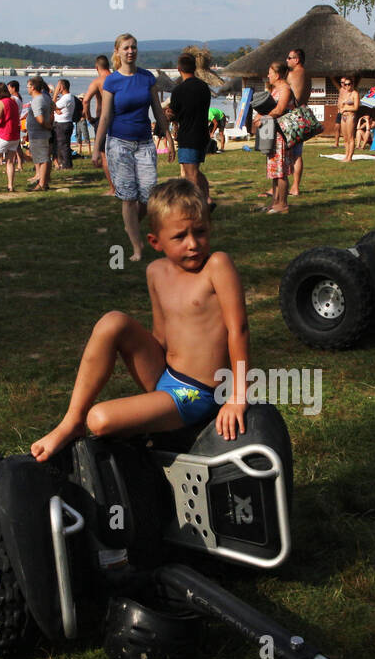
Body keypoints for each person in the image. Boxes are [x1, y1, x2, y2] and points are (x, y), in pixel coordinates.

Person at [29, 178, 249, 464]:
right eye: (180, 236)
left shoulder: (217, 265)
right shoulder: (155, 272)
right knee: (113, 322)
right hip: (166, 376)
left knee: (100, 419)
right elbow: (161, 335)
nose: (193, 244)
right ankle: (71, 420)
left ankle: (96, 423)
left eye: (201, 232)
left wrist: (238, 396)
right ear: (155, 242)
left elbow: (239, 329)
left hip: (199, 393)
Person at [93, 33, 173, 261]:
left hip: (145, 143)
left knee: (149, 195)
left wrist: (167, 136)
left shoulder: (147, 78)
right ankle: (137, 246)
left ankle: (131, 227)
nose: (131, 51)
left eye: (134, 47)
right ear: (117, 52)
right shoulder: (112, 81)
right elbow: (106, 116)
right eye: (126, 48)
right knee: (128, 197)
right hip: (119, 143)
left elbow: (158, 110)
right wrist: (97, 148)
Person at [167, 54, 213, 208]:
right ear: (195, 68)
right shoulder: (204, 87)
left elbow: (173, 113)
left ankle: (197, 205)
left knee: (190, 173)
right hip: (202, 134)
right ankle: (207, 199)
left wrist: (168, 115)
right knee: (196, 171)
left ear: (179, 69)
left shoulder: (179, 90)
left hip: (188, 134)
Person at [253, 62, 295, 214]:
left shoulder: (285, 89)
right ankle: (274, 202)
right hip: (273, 134)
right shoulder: (276, 90)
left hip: (281, 135)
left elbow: (279, 109)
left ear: (277, 75)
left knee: (281, 170)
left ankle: (282, 204)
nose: (268, 76)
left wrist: (263, 119)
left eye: (270, 73)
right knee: (274, 171)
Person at [82, 54, 115, 194]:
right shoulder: (117, 78)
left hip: (102, 119)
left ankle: (113, 188)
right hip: (118, 118)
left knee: (104, 155)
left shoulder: (98, 81)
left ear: (97, 67)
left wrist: (88, 117)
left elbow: (85, 100)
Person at [285, 48, 309, 196]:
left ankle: (283, 186)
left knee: (285, 153)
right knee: (297, 154)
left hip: (292, 115)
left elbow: (290, 98)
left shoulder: (294, 74)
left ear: (297, 60)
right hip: (302, 113)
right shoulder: (307, 74)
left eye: (289, 58)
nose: (286, 60)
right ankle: (295, 186)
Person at [26, 77, 53, 190]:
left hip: (38, 135)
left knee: (42, 159)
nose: (27, 89)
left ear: (33, 87)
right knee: (42, 158)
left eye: (28, 86)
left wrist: (48, 126)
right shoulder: (45, 98)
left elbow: (40, 120)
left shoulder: (37, 100)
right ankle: (43, 182)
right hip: (41, 134)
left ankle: (42, 184)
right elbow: (52, 108)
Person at [53, 78, 75, 171]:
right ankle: (63, 163)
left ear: (61, 87)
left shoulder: (66, 98)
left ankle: (67, 165)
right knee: (61, 145)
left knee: (63, 145)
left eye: (58, 86)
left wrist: (55, 93)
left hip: (63, 124)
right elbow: (55, 107)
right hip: (64, 122)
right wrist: (56, 109)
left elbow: (52, 105)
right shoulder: (68, 97)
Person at [337, 75, 360, 161]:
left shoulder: (355, 94)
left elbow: (356, 107)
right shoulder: (343, 93)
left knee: (350, 137)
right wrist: (341, 107)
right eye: (345, 84)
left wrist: (346, 108)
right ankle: (346, 155)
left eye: (349, 84)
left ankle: (350, 157)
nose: (347, 86)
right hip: (343, 116)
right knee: (345, 137)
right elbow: (340, 104)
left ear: (352, 84)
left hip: (351, 116)